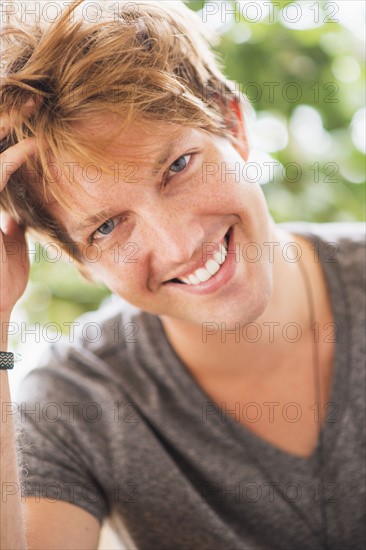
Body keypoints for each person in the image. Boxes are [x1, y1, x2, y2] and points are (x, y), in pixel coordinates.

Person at [0, 1, 364, 548]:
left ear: (235, 127)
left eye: (177, 166)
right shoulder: (74, 405)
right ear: (80, 262)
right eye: (107, 227)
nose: (178, 245)